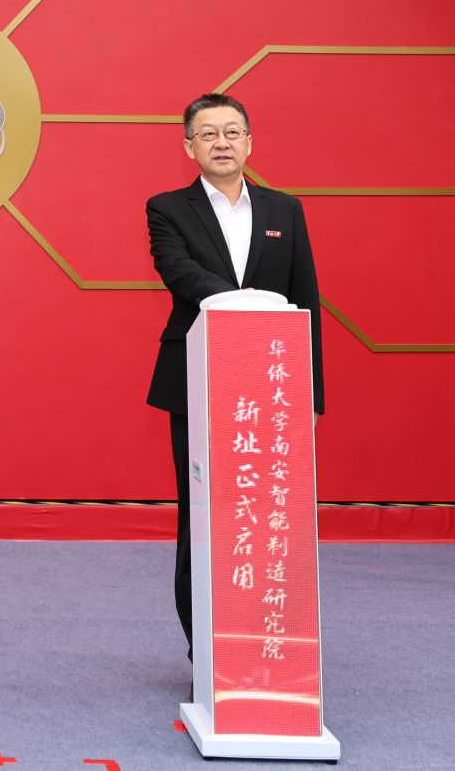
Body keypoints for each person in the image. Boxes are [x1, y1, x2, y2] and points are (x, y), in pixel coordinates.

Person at [145, 91, 325, 661]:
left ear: (249, 142)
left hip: (273, 387)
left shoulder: (285, 210)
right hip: (196, 381)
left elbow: (305, 298)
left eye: (231, 132)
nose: (221, 143)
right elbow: (178, 272)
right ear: (189, 147)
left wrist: (309, 394)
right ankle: (204, 651)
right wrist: (245, 303)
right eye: (208, 134)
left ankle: (265, 640)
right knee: (202, 512)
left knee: (267, 514)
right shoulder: (167, 208)